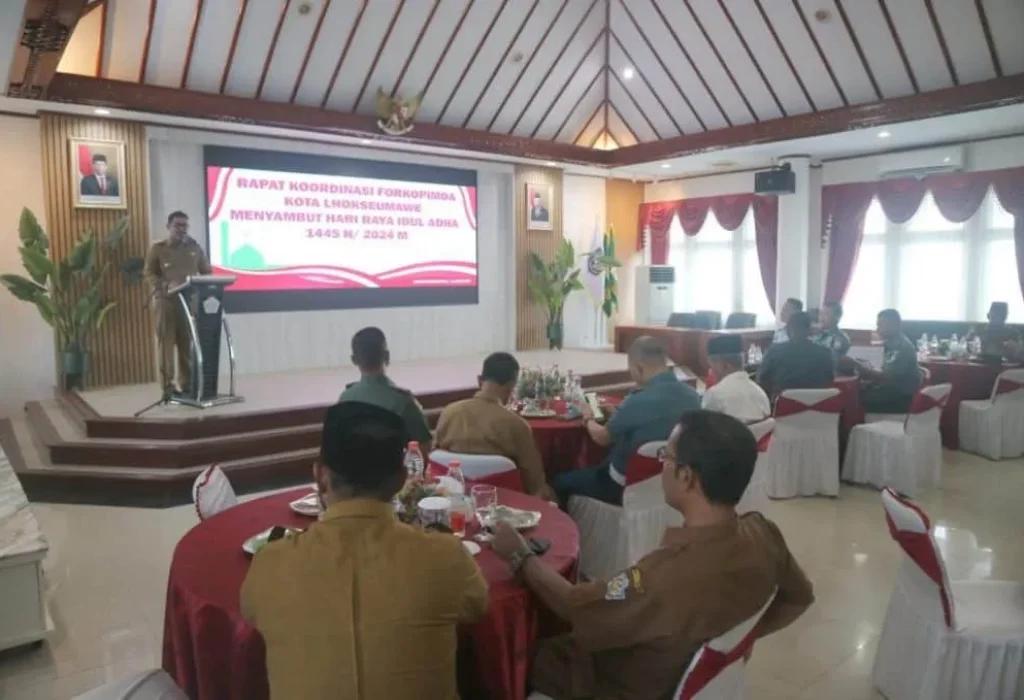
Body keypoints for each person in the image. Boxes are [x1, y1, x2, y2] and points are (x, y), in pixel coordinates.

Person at [490, 410, 814, 700]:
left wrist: (519, 554)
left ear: (686, 476)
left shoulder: (656, 577)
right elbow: (799, 598)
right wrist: (734, 647)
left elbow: (574, 605)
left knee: (525, 654)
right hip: (673, 668)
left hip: (621, 685)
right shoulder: (764, 533)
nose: (662, 466)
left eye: (666, 456)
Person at [242, 401, 488, 700]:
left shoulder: (270, 565)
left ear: (320, 476)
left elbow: (251, 612)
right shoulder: (446, 557)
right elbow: (478, 606)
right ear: (401, 479)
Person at [552, 336, 700, 508]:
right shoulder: (693, 396)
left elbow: (602, 438)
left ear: (639, 368)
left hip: (624, 485)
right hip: (670, 481)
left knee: (560, 481)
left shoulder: (638, 400)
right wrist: (617, 414)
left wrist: (588, 417)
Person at [435, 352, 553, 499]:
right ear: (512, 386)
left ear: (479, 380)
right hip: (506, 506)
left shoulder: (448, 413)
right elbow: (536, 486)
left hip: (453, 500)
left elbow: (435, 463)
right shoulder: (517, 425)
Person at [144, 210, 211, 395]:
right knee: (166, 345)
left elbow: (206, 271)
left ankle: (187, 384)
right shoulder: (158, 249)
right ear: (168, 227)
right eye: (178, 225)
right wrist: (164, 285)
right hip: (166, 303)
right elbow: (148, 273)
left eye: (185, 226)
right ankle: (168, 386)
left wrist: (205, 284)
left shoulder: (194, 248)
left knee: (186, 346)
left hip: (188, 304)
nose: (182, 229)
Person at [339, 327, 432, 452]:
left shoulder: (345, 399)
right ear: (387, 356)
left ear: (354, 360)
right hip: (392, 471)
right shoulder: (403, 402)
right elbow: (423, 449)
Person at [757, 311, 835, 399]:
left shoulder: (774, 351)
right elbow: (829, 380)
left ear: (788, 330)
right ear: (810, 330)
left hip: (783, 407)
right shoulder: (825, 353)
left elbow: (761, 380)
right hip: (817, 407)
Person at [857, 309, 921, 413]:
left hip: (899, 397)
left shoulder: (901, 347)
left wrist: (863, 369)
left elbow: (889, 376)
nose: (877, 329)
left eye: (881, 325)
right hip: (890, 390)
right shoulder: (889, 344)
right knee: (855, 392)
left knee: (854, 399)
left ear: (895, 325)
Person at [701, 335, 770, 423]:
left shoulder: (715, 395)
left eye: (711, 368)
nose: (710, 372)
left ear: (724, 366)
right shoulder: (761, 394)